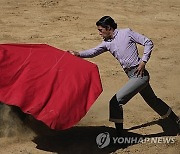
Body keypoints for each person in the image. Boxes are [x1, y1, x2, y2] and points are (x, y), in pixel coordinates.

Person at [69, 16, 180, 136]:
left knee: (115, 102)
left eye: (101, 30)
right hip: (133, 76)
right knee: (153, 101)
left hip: (140, 75)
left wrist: (143, 61)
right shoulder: (107, 43)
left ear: (108, 28)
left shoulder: (126, 33)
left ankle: (119, 135)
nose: (99, 33)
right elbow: (93, 52)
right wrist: (77, 54)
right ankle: (177, 121)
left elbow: (148, 42)